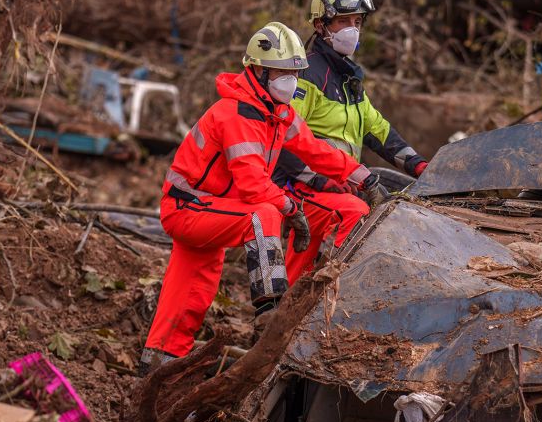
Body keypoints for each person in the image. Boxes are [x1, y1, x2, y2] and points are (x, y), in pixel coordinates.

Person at [139, 22, 392, 371]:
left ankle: (160, 361)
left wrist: (364, 177)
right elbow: (253, 184)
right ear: (258, 71)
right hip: (189, 208)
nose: (290, 81)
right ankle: (270, 310)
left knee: (191, 292)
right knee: (263, 215)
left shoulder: (276, 114)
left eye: (295, 73)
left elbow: (316, 151)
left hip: (209, 207)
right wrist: (291, 208)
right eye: (282, 73)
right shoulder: (238, 115)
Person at [273, 0, 429, 281]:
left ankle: (282, 316)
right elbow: (283, 140)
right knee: (355, 213)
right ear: (321, 25)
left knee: (295, 275)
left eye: (357, 22)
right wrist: (321, 181)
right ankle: (345, 291)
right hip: (303, 185)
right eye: (344, 21)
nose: (352, 30)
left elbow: (377, 129)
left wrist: (419, 165)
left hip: (341, 181)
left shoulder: (349, 79)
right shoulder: (306, 75)